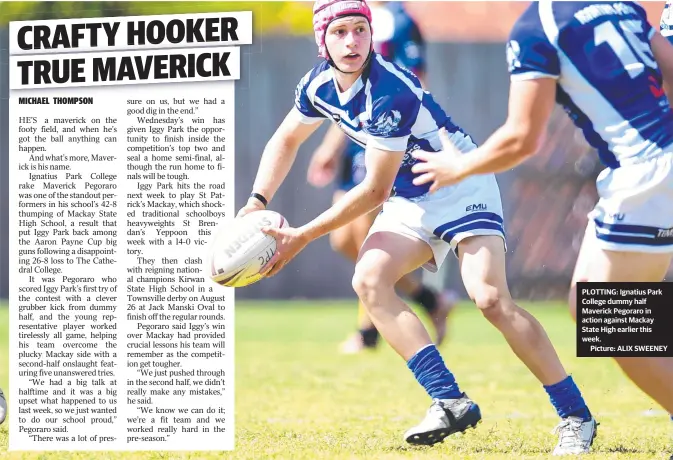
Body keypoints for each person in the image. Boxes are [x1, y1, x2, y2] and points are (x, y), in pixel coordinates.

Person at [237, 0, 595, 453]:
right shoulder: (317, 85)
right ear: (321, 41)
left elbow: (374, 191)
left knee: (489, 299)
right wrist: (256, 201)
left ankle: (575, 415)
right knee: (369, 280)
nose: (352, 41)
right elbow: (285, 139)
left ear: (372, 33)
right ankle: (449, 401)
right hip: (412, 198)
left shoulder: (389, 89)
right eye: (340, 32)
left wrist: (301, 236)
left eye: (360, 30)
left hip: (460, 185)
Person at [410, 0, 673, 450]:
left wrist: (459, 167)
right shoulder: (621, 6)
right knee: (588, 300)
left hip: (645, 176)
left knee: (610, 321)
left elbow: (521, 138)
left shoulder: (536, 27)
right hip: (645, 171)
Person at [306, 0, 455, 354]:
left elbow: (415, 82)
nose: (351, 39)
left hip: (387, 136)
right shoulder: (347, 14)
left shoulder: (401, 21)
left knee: (367, 234)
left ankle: (367, 332)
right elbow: (348, 97)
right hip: (355, 140)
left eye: (358, 33)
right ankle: (429, 298)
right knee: (344, 240)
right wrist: (331, 144)